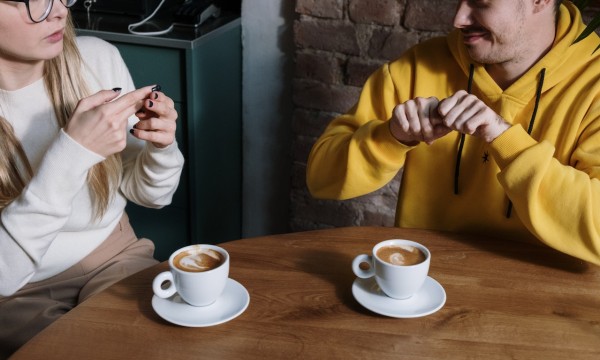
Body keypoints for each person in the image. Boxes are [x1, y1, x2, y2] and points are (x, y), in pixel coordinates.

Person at [307, 0, 600, 266]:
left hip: (546, 305)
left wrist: (506, 140)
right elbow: (320, 178)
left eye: (480, 3)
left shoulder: (594, 84)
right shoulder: (418, 66)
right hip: (426, 288)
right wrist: (391, 137)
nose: (458, 19)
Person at [0, 0, 184, 356]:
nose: (58, 11)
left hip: (117, 254)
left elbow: (152, 196)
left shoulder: (96, 59)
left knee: (170, 345)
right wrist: (71, 153)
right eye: (33, 0)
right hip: (17, 292)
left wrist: (160, 148)